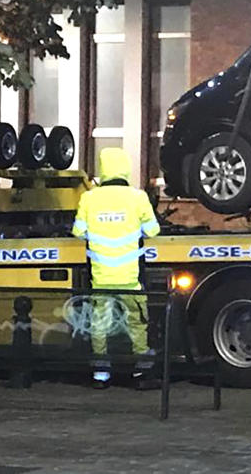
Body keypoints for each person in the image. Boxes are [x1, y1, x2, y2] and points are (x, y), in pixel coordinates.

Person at [72, 148, 161, 389]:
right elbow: (153, 231)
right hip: (131, 278)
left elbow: (78, 232)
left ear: (103, 171)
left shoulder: (89, 198)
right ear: (125, 168)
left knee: (100, 326)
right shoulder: (138, 197)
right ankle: (140, 373)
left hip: (101, 277)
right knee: (137, 323)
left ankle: (101, 375)